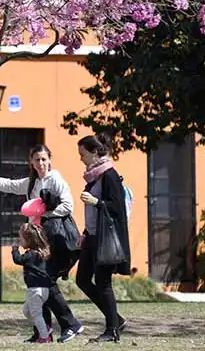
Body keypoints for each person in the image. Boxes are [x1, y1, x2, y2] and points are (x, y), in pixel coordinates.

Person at [0, 144, 83, 343]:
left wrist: (43, 214)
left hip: (54, 239)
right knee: (41, 282)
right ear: (31, 162)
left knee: (46, 283)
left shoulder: (56, 180)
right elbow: (8, 184)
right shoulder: (31, 183)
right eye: (37, 160)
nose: (41, 163)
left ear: (50, 160)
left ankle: (71, 325)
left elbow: (68, 206)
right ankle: (43, 333)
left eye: (44, 159)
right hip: (39, 240)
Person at [76, 132, 131, 343]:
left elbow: (117, 207)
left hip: (105, 239)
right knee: (82, 279)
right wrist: (85, 232)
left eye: (82, 154)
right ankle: (115, 319)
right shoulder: (93, 176)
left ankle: (112, 330)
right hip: (91, 236)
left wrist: (96, 202)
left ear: (94, 152)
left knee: (103, 282)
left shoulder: (109, 174)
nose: (80, 158)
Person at [11, 223, 55, 343]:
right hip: (44, 290)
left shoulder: (30, 255)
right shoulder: (42, 253)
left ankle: (45, 337)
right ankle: (44, 329)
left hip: (34, 290)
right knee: (27, 311)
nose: (20, 241)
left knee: (36, 314)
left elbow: (18, 260)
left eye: (21, 239)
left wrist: (15, 249)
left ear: (29, 240)